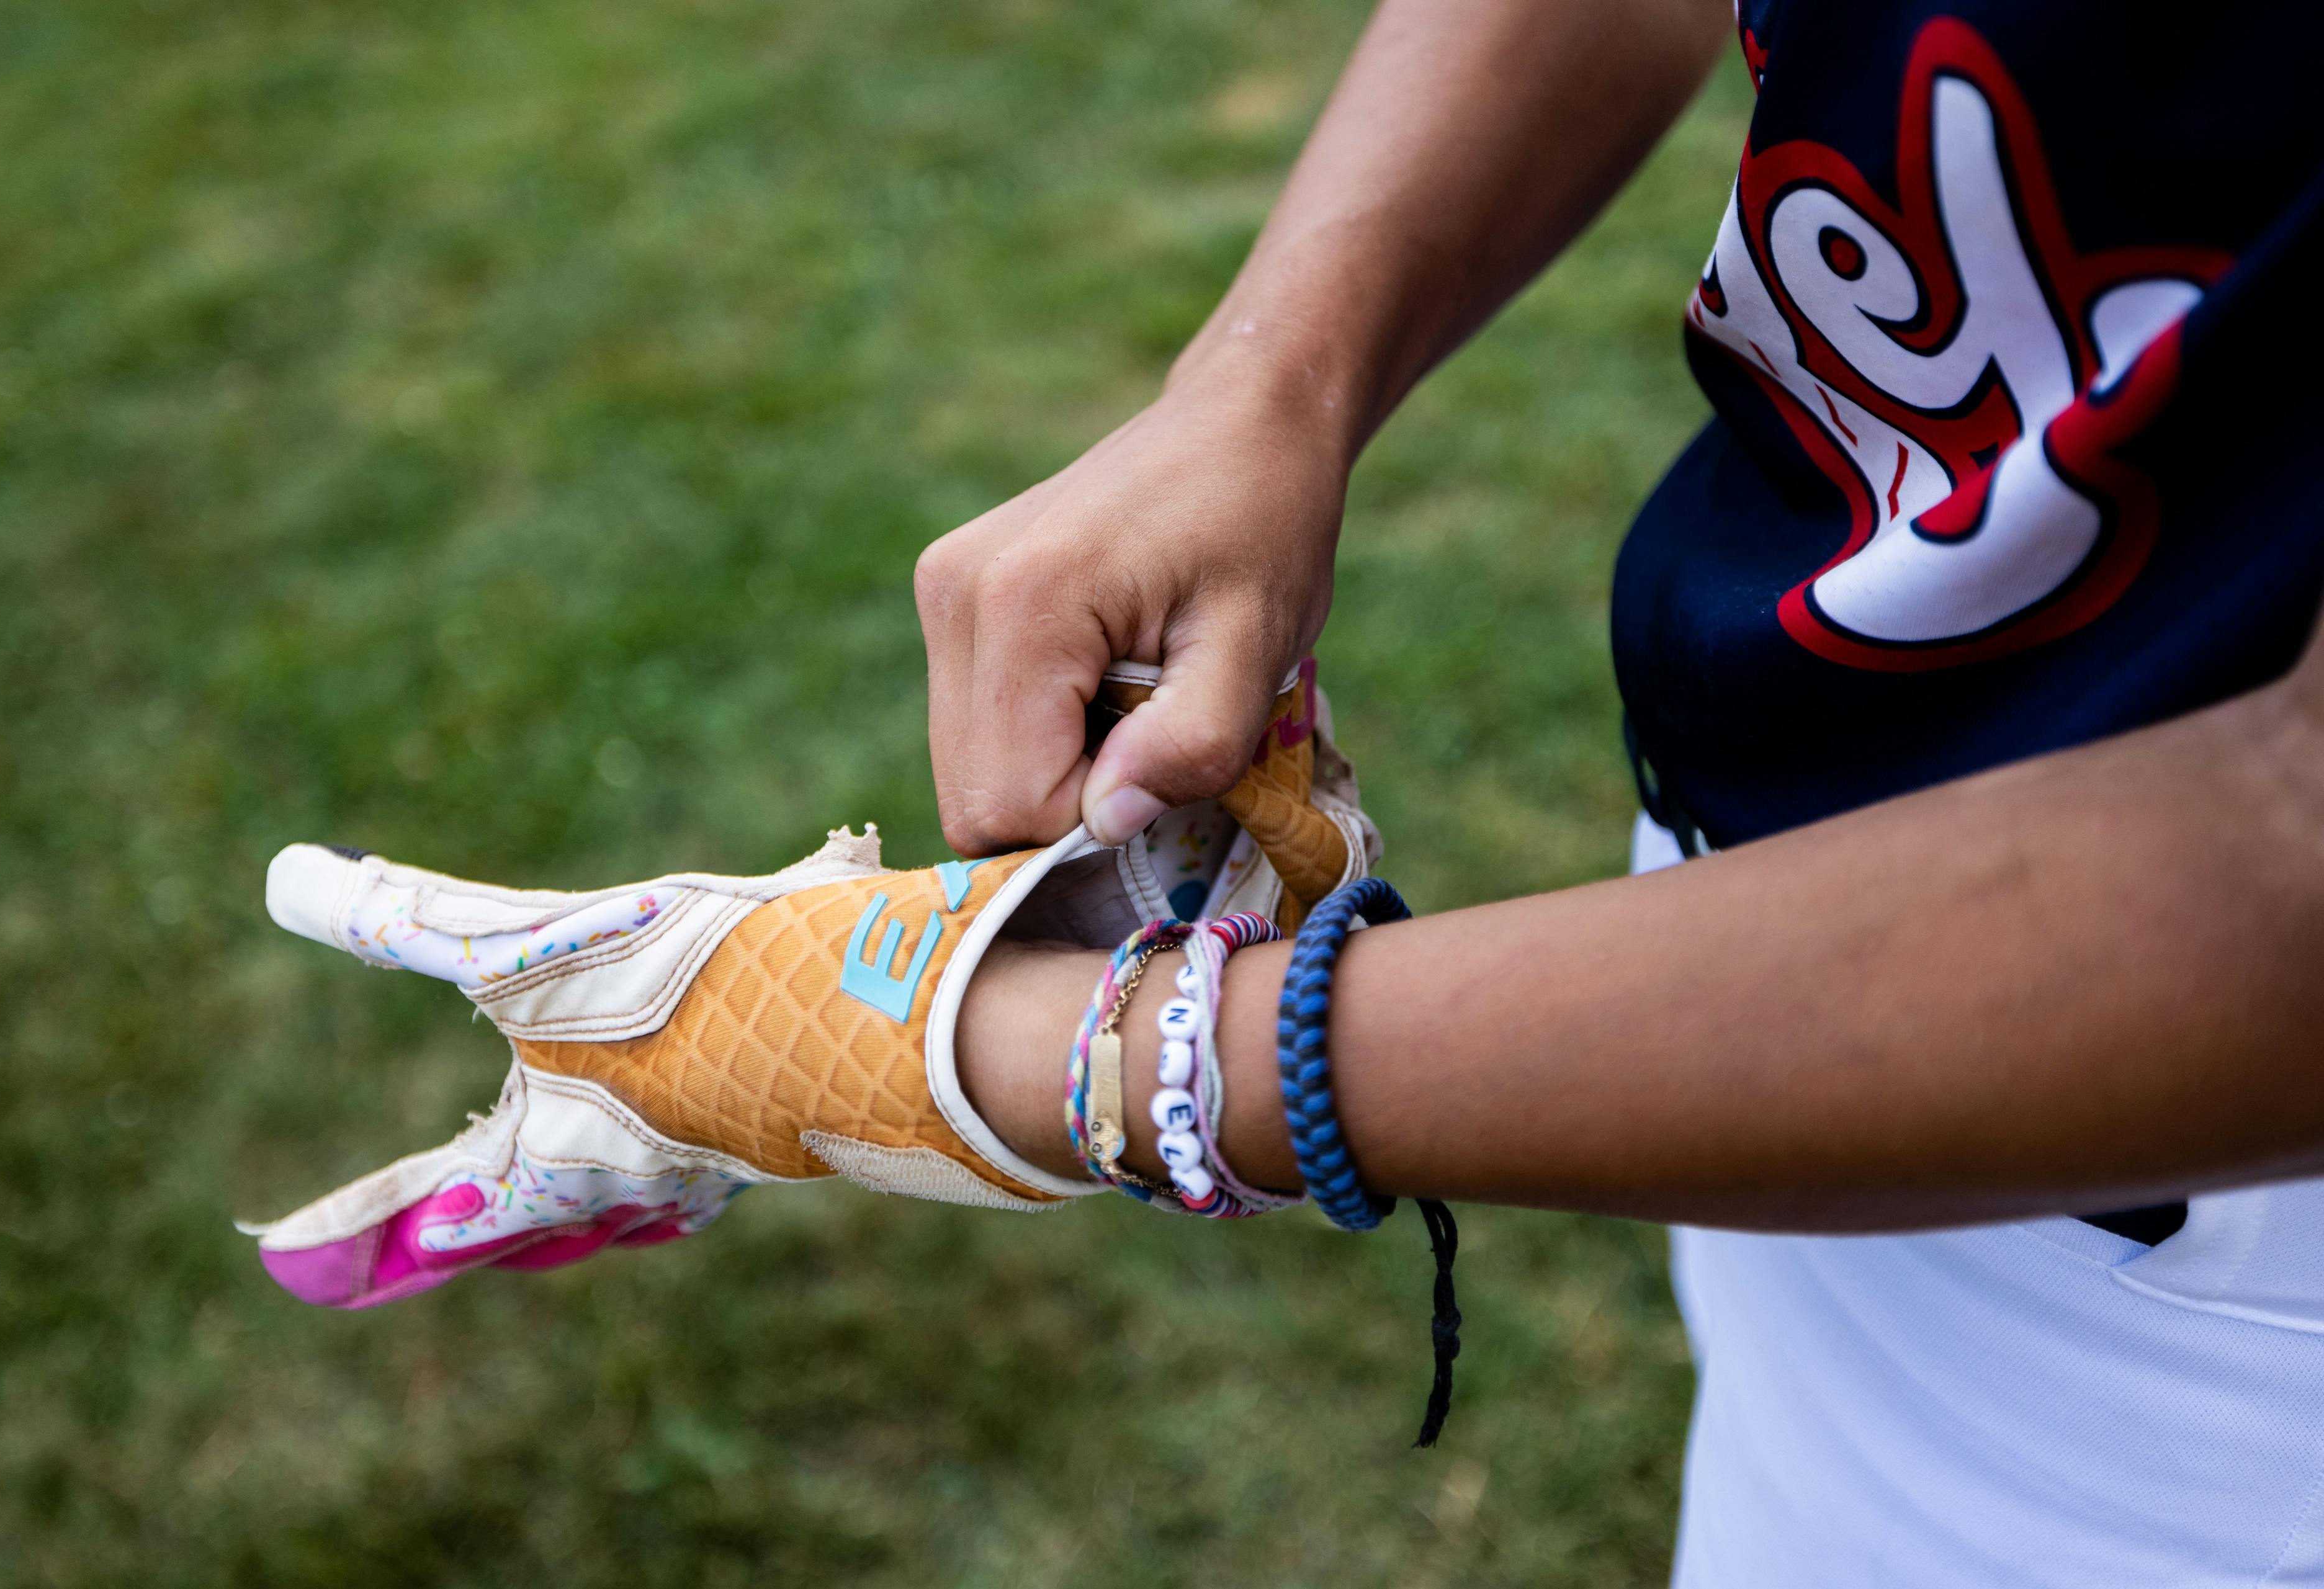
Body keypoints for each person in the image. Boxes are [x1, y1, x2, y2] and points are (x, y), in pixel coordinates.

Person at [913, 1, 2324, 1581]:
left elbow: (2294, 883)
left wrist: (1071, 1055)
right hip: (1777, 977)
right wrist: (1267, 385)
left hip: (2210, 1259)